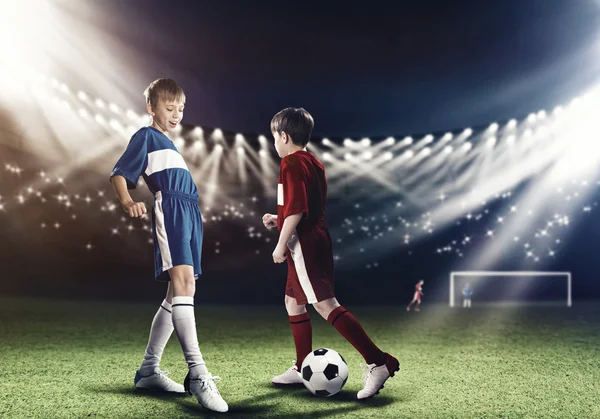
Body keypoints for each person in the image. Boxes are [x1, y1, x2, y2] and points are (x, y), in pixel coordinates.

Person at [262, 107, 399, 400]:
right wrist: (280, 217)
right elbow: (303, 205)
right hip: (316, 236)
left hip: (304, 244)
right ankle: (302, 367)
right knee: (292, 302)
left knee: (324, 304)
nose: (274, 142)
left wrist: (279, 243)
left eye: (274, 136)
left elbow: (298, 209)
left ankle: (379, 361)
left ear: (284, 136)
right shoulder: (313, 161)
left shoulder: (291, 163)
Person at [109, 78, 228, 413]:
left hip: (190, 212)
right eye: (169, 107)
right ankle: (198, 373)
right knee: (184, 285)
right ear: (151, 108)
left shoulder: (168, 143)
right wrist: (126, 200)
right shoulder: (146, 136)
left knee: (177, 293)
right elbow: (120, 173)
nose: (176, 114)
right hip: (172, 210)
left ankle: (148, 371)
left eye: (180, 109)